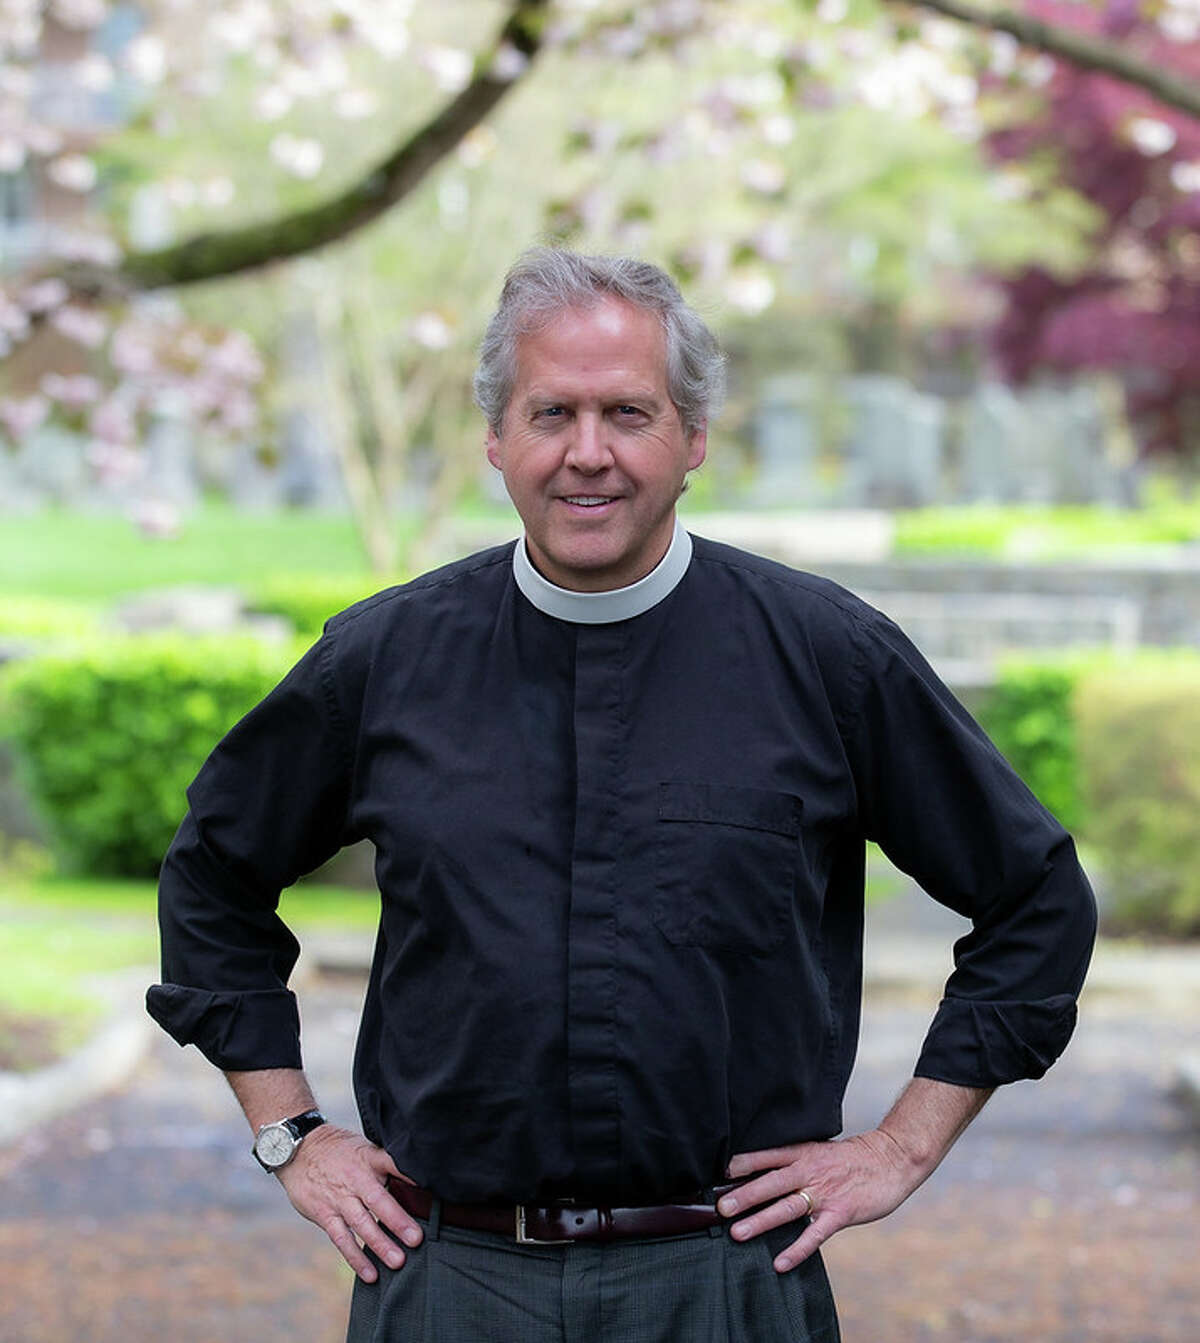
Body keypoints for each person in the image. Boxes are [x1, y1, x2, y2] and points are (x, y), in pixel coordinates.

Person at [148, 248, 1097, 1342]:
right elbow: (213, 876)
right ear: (496, 439)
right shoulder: (381, 662)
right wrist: (292, 1133)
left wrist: (902, 1144)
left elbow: (1034, 897)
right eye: (551, 412)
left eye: (628, 413)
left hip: (725, 1281)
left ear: (692, 440)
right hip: (450, 1280)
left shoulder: (830, 661)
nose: (586, 454)